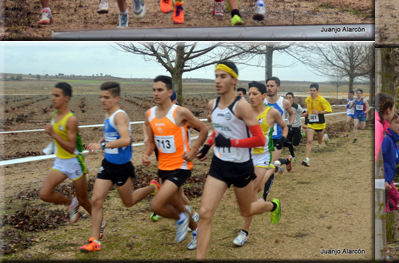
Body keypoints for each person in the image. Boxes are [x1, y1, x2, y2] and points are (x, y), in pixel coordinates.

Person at [194, 61, 279, 259]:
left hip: (241, 167)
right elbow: (220, 129)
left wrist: (231, 142)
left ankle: (272, 205)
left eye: (222, 76)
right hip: (219, 165)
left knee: (246, 210)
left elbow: (258, 139)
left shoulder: (242, 106)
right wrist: (208, 145)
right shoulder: (213, 104)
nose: (217, 80)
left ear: (234, 80)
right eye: (216, 75)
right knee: (205, 214)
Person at [78, 82, 156, 252]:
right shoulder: (108, 114)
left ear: (116, 98)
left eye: (106, 97)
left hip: (122, 167)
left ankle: (152, 187)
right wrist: (102, 140)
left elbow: (126, 140)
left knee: (129, 202)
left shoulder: (120, 115)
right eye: (101, 96)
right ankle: (94, 241)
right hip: (108, 165)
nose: (102, 100)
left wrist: (103, 146)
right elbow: (111, 134)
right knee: (97, 200)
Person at [143, 75, 208, 248]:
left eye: (160, 90)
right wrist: (147, 154)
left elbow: (204, 129)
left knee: (156, 205)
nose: (155, 93)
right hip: (163, 167)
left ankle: (182, 218)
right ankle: (197, 232)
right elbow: (152, 141)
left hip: (181, 165)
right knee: (178, 203)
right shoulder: (150, 114)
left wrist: (193, 151)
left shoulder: (180, 112)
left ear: (170, 92)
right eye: (154, 90)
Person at [232, 80, 288, 247]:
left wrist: (282, 140)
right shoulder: (244, 112)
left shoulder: (272, 113)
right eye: (249, 94)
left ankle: (244, 232)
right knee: (248, 194)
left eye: (255, 94)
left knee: (252, 193)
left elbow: (285, 127)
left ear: (264, 96)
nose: (251, 97)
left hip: (261, 157)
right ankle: (273, 204)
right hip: (245, 157)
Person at [38, 82, 93, 225]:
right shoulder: (54, 114)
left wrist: (53, 134)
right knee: (44, 194)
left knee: (84, 200)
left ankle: (100, 221)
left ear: (66, 98)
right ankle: (71, 203)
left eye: (57, 95)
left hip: (75, 162)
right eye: (52, 95)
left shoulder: (71, 119)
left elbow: (71, 147)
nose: (53, 98)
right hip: (60, 162)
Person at [264, 76, 296, 166]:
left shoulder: (284, 102)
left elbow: (292, 114)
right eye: (267, 86)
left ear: (278, 88)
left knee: (271, 165)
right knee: (265, 164)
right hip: (265, 137)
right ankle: (286, 161)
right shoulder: (262, 101)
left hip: (278, 137)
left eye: (272, 86)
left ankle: (281, 164)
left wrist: (290, 125)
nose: (269, 88)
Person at [301, 83, 332, 166]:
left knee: (319, 141)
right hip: (311, 122)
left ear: (317, 91)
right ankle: (307, 159)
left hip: (320, 123)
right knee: (309, 140)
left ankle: (325, 137)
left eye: (314, 91)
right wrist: (306, 113)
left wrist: (319, 112)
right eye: (311, 90)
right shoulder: (307, 100)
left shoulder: (321, 100)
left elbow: (329, 110)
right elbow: (309, 109)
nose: (312, 92)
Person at [382, 111, 399, 212]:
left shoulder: (392, 140)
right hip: (382, 184)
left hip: (386, 184)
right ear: (388, 122)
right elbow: (379, 160)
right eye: (397, 122)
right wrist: (384, 180)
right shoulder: (386, 139)